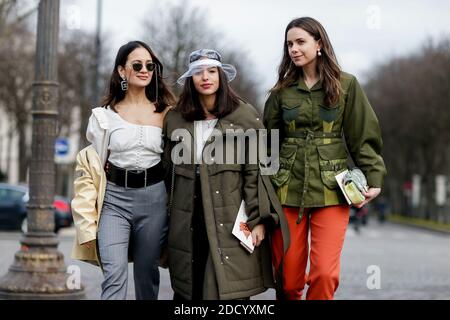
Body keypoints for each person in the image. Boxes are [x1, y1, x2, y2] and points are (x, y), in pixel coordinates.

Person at [264, 17, 387, 300]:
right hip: (286, 189)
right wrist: (261, 189)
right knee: (288, 279)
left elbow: (362, 136)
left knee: (325, 275)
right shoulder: (281, 92)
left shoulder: (347, 85)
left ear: (319, 44)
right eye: (289, 44)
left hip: (333, 190)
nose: (294, 49)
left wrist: (374, 176)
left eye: (300, 42)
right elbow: (267, 145)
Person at [163, 49, 289, 300]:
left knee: (230, 290)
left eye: (211, 71)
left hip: (231, 215)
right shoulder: (175, 118)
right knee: (191, 289)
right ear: (190, 79)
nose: (205, 77)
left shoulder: (244, 115)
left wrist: (260, 220)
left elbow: (258, 172)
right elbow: (167, 170)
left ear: (221, 76)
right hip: (187, 217)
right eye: (198, 72)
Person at [70, 40, 176, 300]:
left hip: (154, 200)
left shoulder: (168, 114)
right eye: (137, 65)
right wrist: (85, 222)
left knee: (146, 276)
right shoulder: (103, 116)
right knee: (114, 277)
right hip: (115, 201)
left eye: (150, 65)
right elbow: (88, 171)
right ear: (121, 71)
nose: (144, 70)